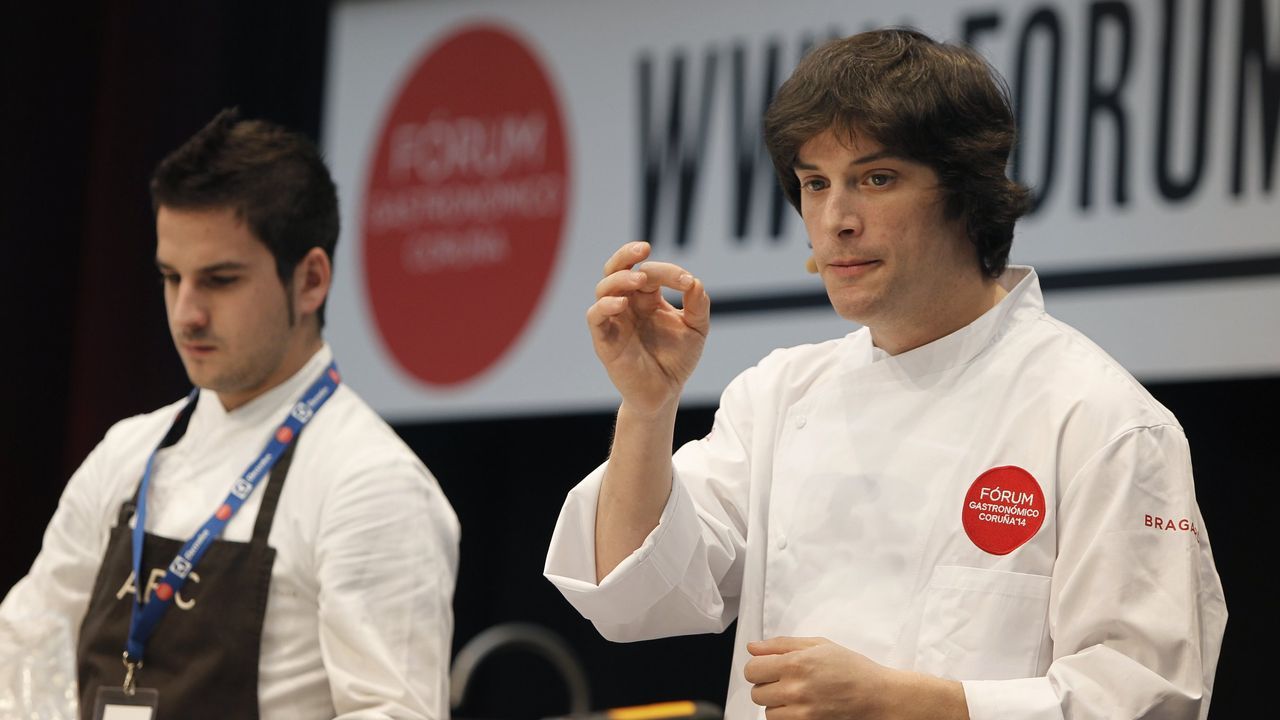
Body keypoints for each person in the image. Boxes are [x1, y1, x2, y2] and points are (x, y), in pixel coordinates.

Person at [544, 29, 1226, 720]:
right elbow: (632, 598)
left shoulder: (1100, 420)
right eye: (815, 184)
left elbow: (1150, 698)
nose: (836, 219)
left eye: (876, 179)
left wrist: (907, 704)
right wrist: (647, 407)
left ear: (966, 192)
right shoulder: (780, 396)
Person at [0, 109, 460, 719]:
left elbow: (393, 713)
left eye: (219, 280)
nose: (186, 312)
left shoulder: (371, 482)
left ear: (310, 280)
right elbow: (31, 640)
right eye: (171, 277)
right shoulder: (127, 453)